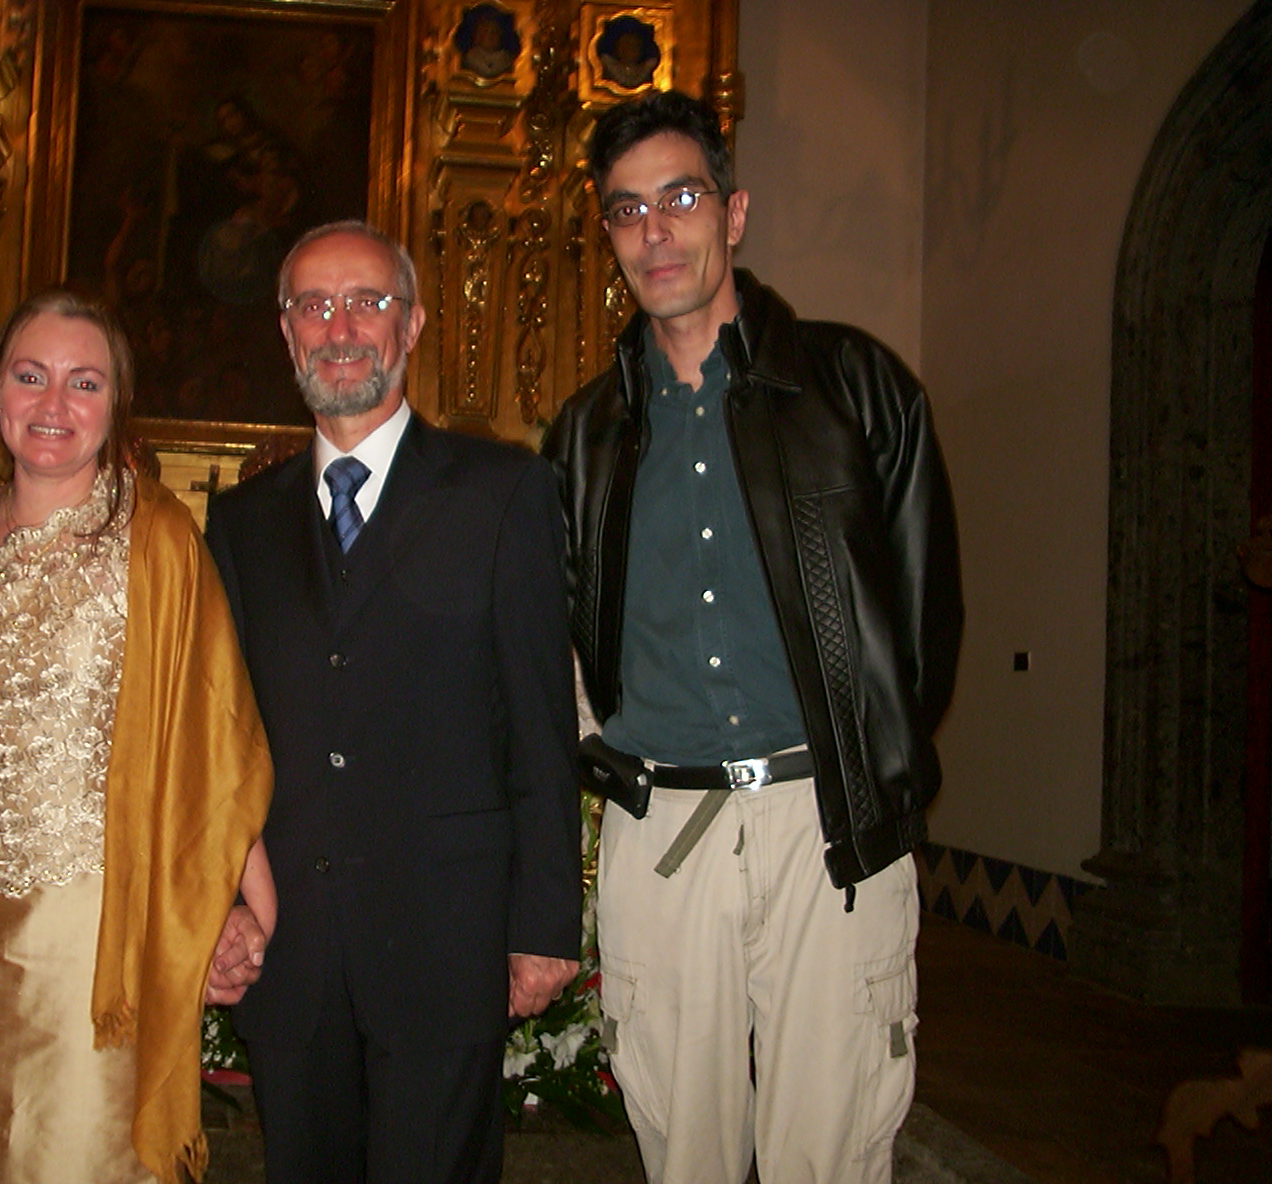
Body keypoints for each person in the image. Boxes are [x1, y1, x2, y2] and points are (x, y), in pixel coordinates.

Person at [542, 91, 963, 1184]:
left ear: (733, 212)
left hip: (824, 823)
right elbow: (568, 636)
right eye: (626, 209)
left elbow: (923, 619)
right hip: (661, 830)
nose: (654, 231)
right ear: (608, 234)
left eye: (679, 198)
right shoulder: (585, 437)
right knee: (681, 1149)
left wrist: (868, 766)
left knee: (830, 1149)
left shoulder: (855, 386)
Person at [204, 220, 582, 1184]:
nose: (340, 328)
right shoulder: (240, 524)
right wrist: (220, 904)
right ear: (286, 332)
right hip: (290, 946)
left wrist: (544, 924)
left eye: (367, 302)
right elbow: (219, 740)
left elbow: (539, 725)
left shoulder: (504, 492)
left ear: (411, 326)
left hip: (444, 940)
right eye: (314, 306)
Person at [0, 289, 274, 1184]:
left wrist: (238, 901)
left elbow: (208, 728)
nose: (54, 404)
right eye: (31, 376)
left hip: (85, 931)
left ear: (114, 405)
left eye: (83, 382)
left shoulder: (152, 534)